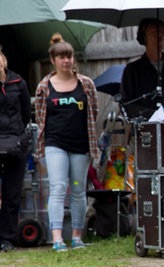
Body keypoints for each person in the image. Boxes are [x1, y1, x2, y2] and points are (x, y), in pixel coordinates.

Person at [35, 33, 99, 252]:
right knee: (58, 187)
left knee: (78, 189)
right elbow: (40, 116)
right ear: (53, 60)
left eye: (69, 56)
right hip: (55, 144)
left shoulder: (87, 84)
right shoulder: (44, 86)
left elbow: (94, 112)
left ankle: (77, 236)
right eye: (61, 57)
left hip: (81, 145)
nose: (66, 61)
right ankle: (57, 238)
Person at [120, 18, 164, 120]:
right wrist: (155, 115)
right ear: (144, 38)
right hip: (144, 129)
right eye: (154, 34)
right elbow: (126, 104)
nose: (159, 38)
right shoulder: (132, 70)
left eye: (162, 33)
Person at [0, 49, 31, 252]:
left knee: (12, 194)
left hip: (15, 145)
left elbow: (26, 113)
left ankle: (7, 238)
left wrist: (18, 138)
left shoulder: (18, 83)